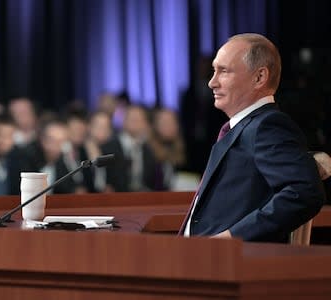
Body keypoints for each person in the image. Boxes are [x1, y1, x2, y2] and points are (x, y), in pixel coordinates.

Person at [180, 33, 325, 243]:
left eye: (224, 71)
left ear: (259, 78)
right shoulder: (244, 127)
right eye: (214, 70)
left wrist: (233, 236)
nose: (212, 82)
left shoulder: (268, 126)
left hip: (229, 263)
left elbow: (305, 191)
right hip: (199, 257)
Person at [101, 105, 160, 192]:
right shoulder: (108, 148)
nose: (135, 122)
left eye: (138, 119)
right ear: (124, 121)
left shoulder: (148, 151)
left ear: (145, 124)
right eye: (131, 118)